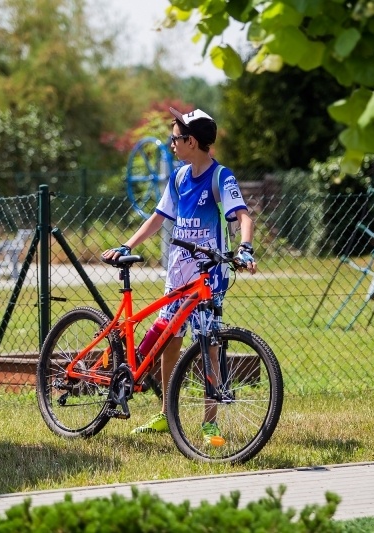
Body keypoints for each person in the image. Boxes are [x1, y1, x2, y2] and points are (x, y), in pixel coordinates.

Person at [102, 107, 257, 443]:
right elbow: (158, 218)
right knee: (170, 341)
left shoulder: (220, 178)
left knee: (209, 346)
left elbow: (243, 217)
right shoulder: (179, 177)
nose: (171, 143)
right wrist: (125, 244)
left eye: (175, 138)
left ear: (192, 141)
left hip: (208, 275)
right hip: (177, 273)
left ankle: (209, 422)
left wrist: (245, 248)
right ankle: (165, 414)